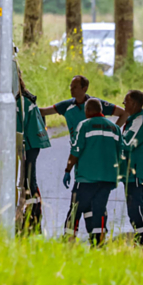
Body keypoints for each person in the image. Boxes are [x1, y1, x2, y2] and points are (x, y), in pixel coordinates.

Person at [40, 75, 127, 237]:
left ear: (84, 88)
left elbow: (124, 113)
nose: (70, 89)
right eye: (70, 86)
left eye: (74, 87)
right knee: (95, 203)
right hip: (94, 167)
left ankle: (70, 237)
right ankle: (97, 238)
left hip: (85, 165)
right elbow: (43, 111)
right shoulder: (67, 106)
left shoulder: (96, 105)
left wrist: (109, 130)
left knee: (78, 202)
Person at [61, 98, 122, 246]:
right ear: (100, 111)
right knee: (99, 210)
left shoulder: (84, 125)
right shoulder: (115, 128)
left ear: (87, 111)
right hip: (107, 179)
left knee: (75, 209)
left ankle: (69, 241)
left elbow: (75, 150)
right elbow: (120, 154)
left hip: (86, 179)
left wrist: (68, 169)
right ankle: (98, 242)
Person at [16, 72, 51, 235]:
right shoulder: (19, 101)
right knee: (25, 181)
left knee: (29, 180)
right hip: (24, 145)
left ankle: (34, 216)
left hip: (29, 146)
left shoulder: (25, 103)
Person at [120, 89, 143, 245]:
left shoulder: (138, 122)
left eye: (126, 101)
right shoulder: (132, 120)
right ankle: (140, 237)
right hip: (129, 172)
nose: (124, 104)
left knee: (135, 205)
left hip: (137, 171)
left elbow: (126, 143)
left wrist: (109, 136)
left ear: (134, 104)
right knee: (132, 205)